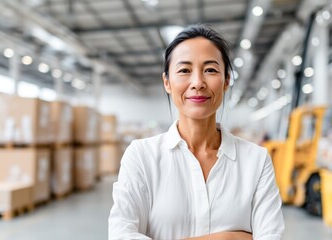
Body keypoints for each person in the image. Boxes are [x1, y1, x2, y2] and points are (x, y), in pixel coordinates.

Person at [108, 25, 284, 240]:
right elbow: (121, 235)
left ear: (227, 81)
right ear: (167, 82)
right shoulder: (142, 156)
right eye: (184, 70)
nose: (198, 83)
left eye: (210, 70)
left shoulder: (256, 161)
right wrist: (230, 238)